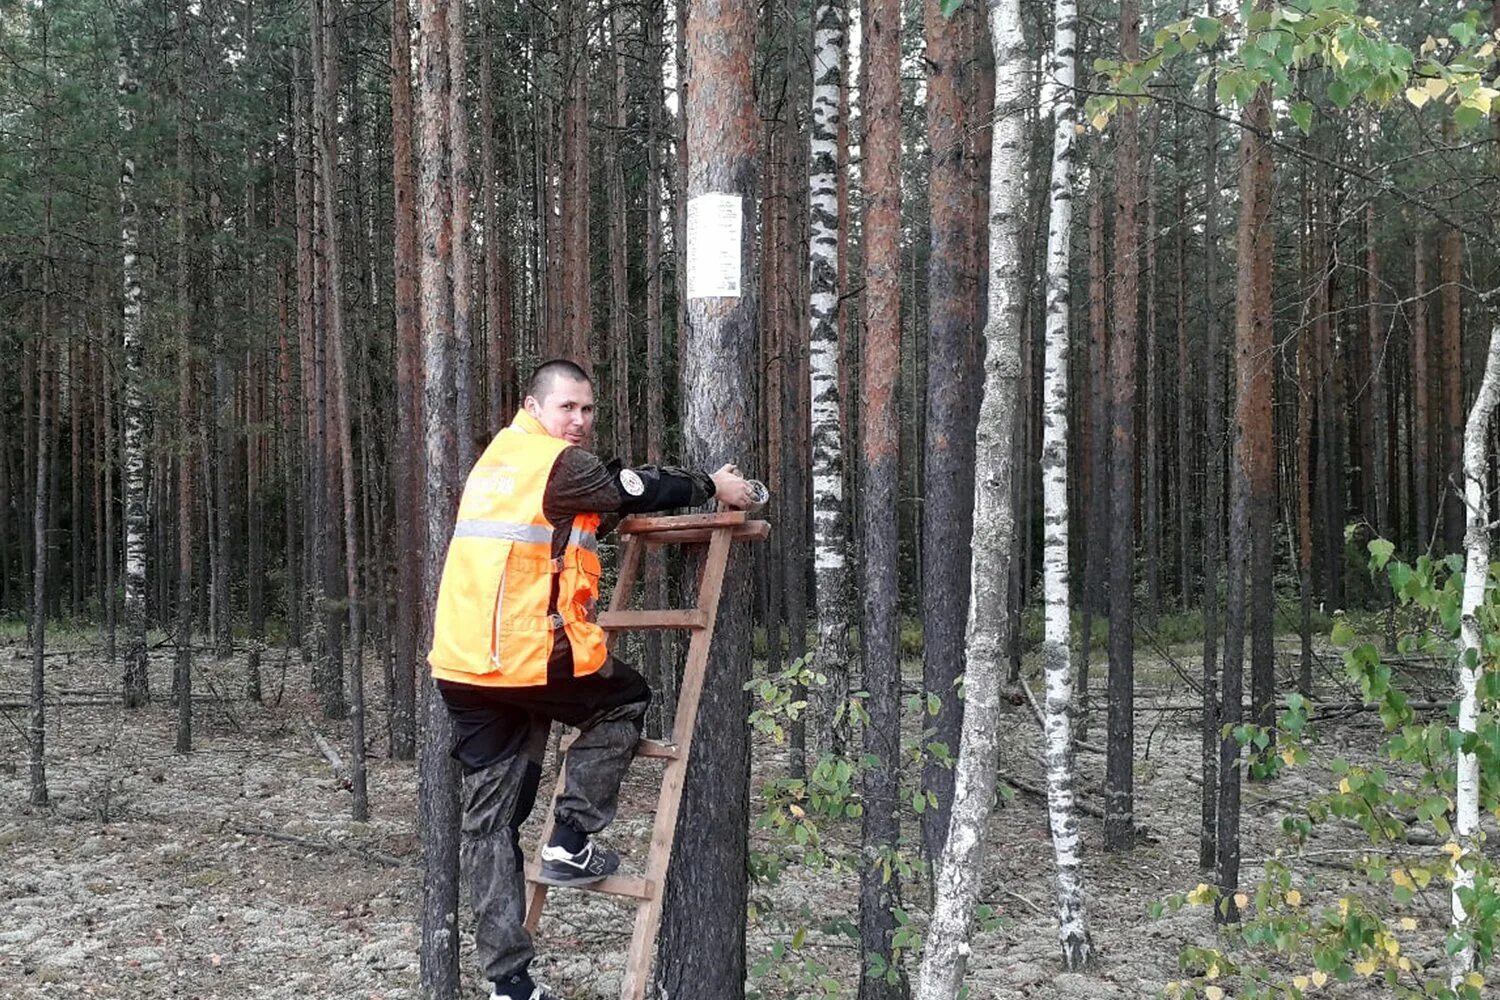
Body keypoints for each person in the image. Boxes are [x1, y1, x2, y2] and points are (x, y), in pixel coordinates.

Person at [427, 359, 755, 1000]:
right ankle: (572, 838)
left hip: (463, 666)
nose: (578, 421)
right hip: (519, 656)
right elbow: (629, 485)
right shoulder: (559, 463)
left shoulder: (501, 460)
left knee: (492, 825)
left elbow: (571, 522)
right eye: (567, 408)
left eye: (587, 410)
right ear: (535, 406)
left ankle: (509, 984)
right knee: (625, 700)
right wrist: (712, 486)